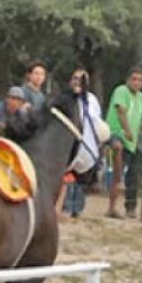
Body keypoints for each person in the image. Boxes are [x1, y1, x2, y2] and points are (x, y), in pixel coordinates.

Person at [105, 68, 142, 219]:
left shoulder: (141, 98)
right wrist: (127, 130)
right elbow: (121, 110)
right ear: (128, 80)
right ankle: (117, 186)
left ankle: (120, 207)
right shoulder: (121, 91)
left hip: (131, 141)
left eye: (139, 80)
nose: (136, 82)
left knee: (130, 173)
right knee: (117, 147)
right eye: (134, 79)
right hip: (116, 132)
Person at [61, 69, 104, 218]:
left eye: (81, 79)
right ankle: (65, 206)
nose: (77, 82)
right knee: (67, 174)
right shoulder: (65, 98)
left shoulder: (92, 99)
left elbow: (96, 119)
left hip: (87, 141)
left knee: (82, 174)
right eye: (75, 78)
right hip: (69, 140)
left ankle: (77, 208)